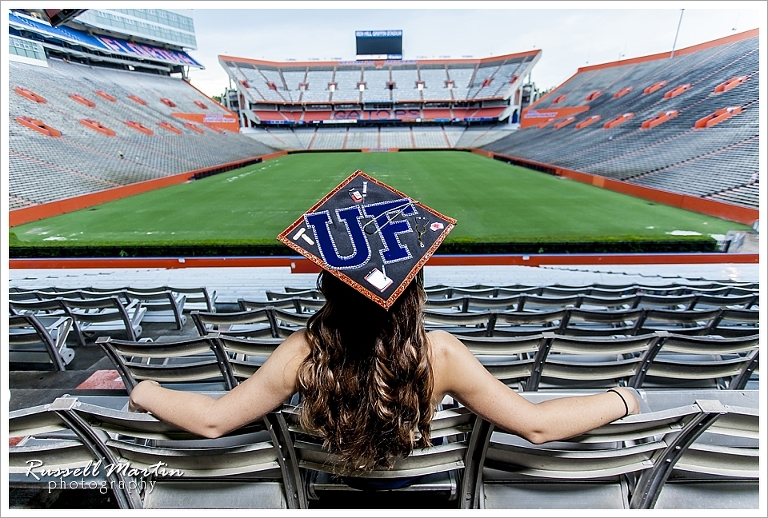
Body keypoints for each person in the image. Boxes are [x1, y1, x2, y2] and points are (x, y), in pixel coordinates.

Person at [129, 170, 640, 474]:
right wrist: (626, 398)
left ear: (328, 286)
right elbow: (538, 424)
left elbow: (214, 420)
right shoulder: (439, 354)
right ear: (411, 288)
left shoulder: (305, 351)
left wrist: (147, 390)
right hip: (421, 487)